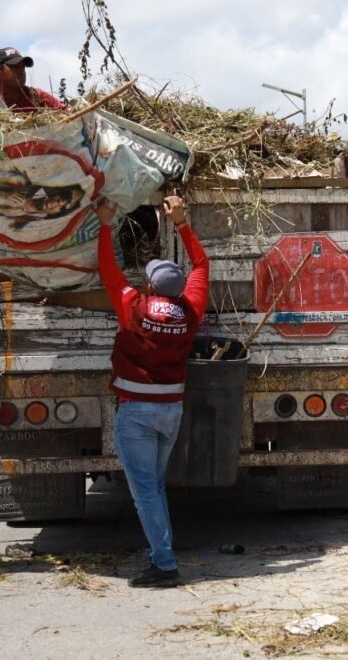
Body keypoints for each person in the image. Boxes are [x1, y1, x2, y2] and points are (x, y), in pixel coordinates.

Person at [95, 194, 209, 588]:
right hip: (170, 412)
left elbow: (107, 268)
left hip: (137, 413)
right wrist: (182, 223)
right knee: (154, 486)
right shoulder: (190, 313)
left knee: (144, 491)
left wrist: (106, 223)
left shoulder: (134, 307)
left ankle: (164, 564)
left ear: (148, 284)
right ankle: (158, 554)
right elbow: (202, 266)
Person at [0, 47, 66, 112]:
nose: (22, 71)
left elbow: (68, 115)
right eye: (15, 66)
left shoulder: (36, 97)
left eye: (23, 67)